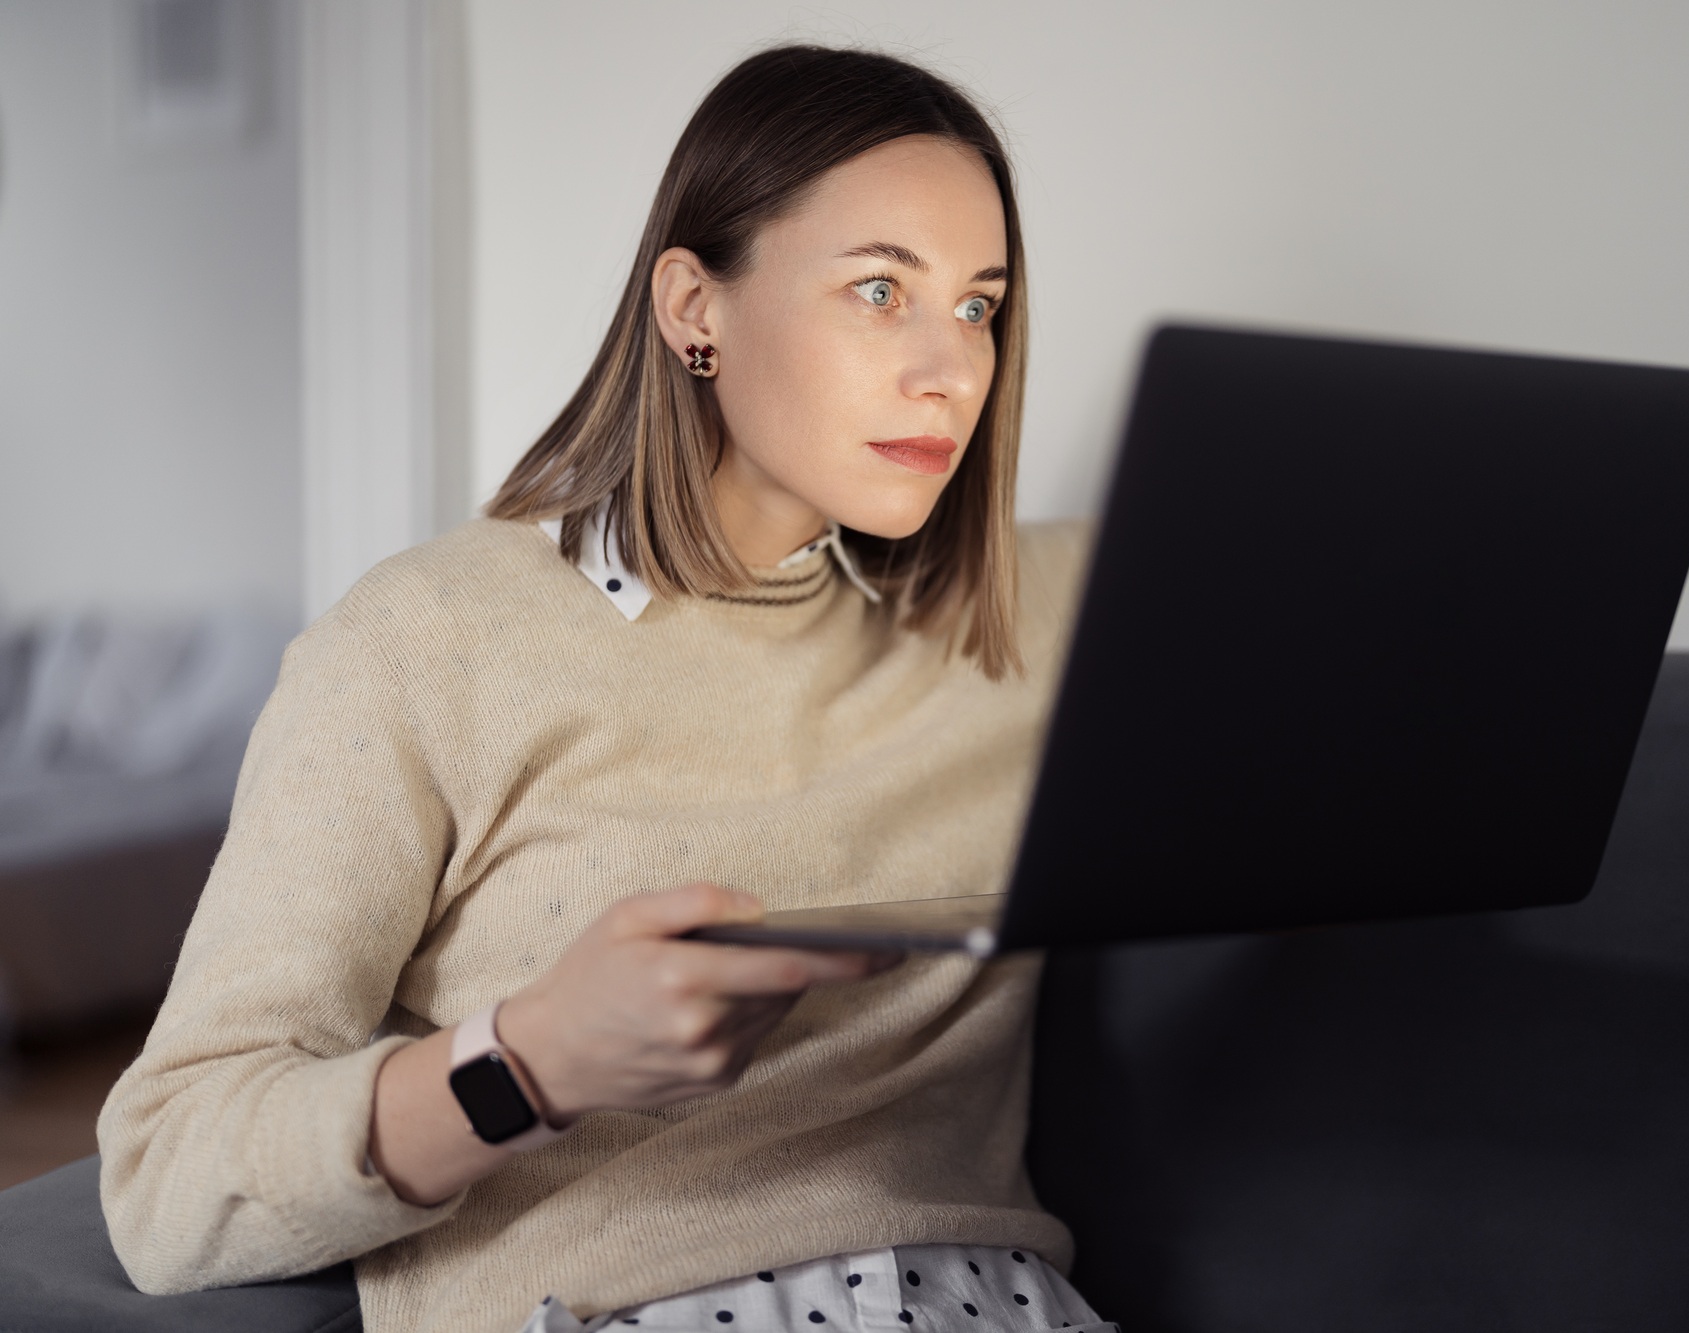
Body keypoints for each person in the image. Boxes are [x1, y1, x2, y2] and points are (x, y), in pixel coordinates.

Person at [97, 44, 1110, 1333]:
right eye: (877, 290)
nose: (952, 369)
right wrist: (525, 1064)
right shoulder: (429, 644)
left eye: (978, 305)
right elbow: (166, 1180)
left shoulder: (1041, 622)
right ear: (695, 310)